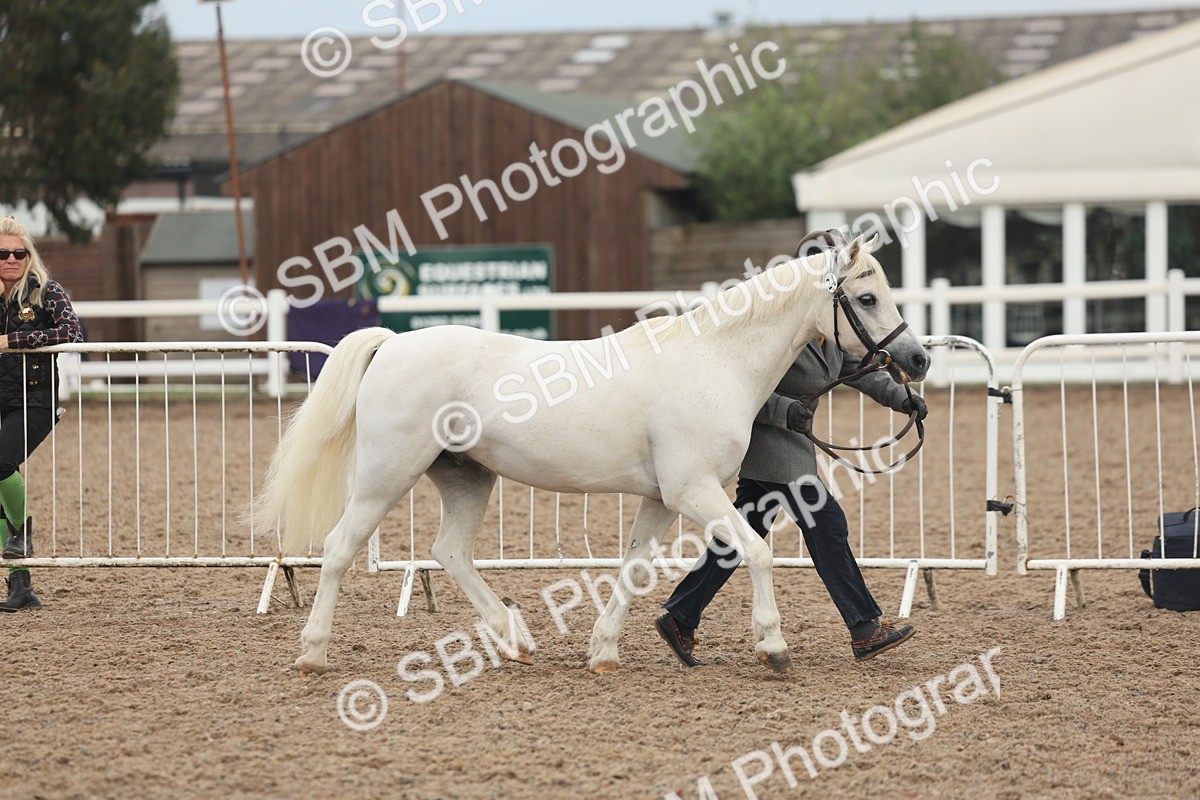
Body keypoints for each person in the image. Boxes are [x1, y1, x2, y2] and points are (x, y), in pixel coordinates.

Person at [655, 241, 929, 666]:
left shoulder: (829, 326)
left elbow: (853, 372)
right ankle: (865, 628)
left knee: (744, 533)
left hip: (793, 444)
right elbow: (740, 390)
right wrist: (786, 411)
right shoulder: (775, 328)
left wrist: (901, 398)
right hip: (772, 443)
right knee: (827, 526)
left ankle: (681, 615)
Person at [0, 217, 85, 611]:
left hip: (34, 401)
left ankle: (22, 534)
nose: (12, 259)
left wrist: (11, 340)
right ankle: (20, 588)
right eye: (3, 253)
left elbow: (71, 333)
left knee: (1, 462)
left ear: (29, 256)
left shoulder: (45, 292)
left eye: (20, 252)